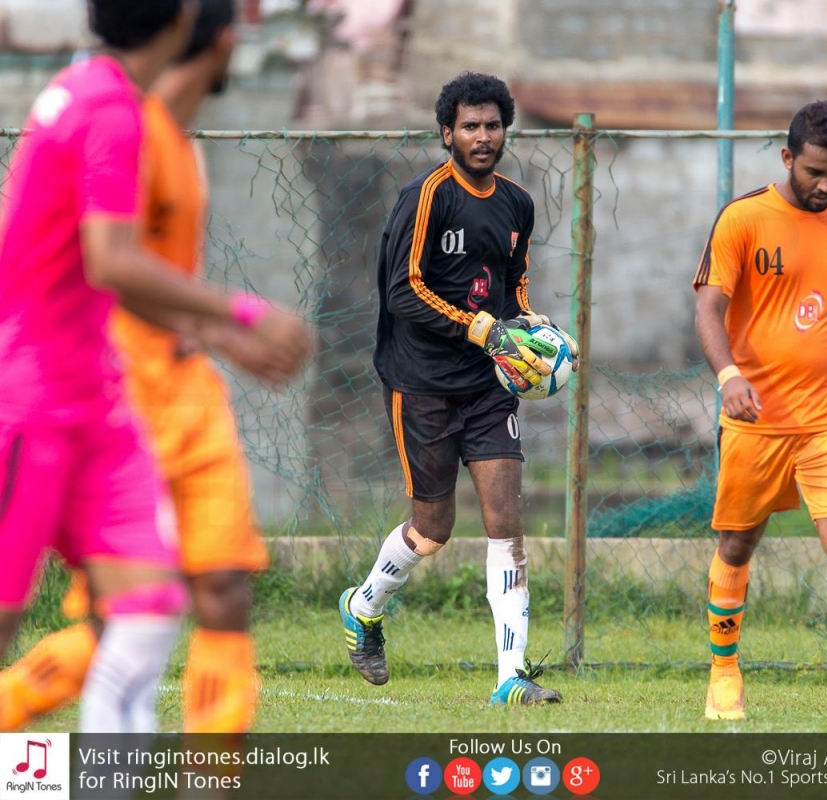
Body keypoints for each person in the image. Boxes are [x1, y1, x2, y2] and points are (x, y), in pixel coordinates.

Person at [0, 0, 308, 733]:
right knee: (18, 615)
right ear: (183, 20)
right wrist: (240, 314)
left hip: (96, 403)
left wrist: (212, 332)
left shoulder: (99, 98)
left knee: (148, 610)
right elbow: (112, 261)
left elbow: (98, 266)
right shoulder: (112, 113)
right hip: (36, 400)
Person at [339, 71, 576, 706]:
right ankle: (364, 607)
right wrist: (482, 328)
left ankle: (510, 678)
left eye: (493, 125)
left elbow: (512, 284)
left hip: (489, 383)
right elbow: (403, 291)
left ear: (505, 130)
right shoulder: (425, 198)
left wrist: (527, 325)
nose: (482, 136)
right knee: (433, 529)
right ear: (447, 133)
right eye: (470, 126)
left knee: (506, 523)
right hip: (420, 382)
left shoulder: (517, 203)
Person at [692, 100, 827, 724]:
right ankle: (724, 672)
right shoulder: (742, 219)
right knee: (737, 543)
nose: (826, 185)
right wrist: (729, 377)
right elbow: (708, 308)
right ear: (788, 157)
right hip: (756, 417)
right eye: (815, 172)